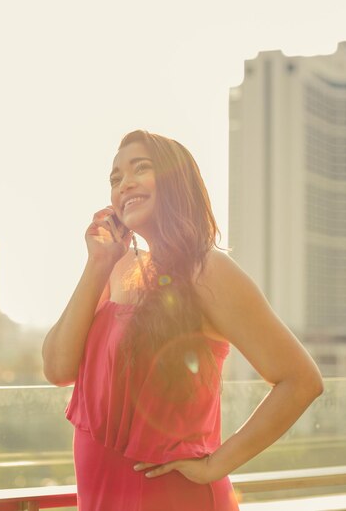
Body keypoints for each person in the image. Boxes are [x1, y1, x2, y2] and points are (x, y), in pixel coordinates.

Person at [42, 129, 323, 511]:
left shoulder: (208, 271)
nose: (125, 184)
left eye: (141, 169)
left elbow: (301, 380)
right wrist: (96, 264)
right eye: (115, 178)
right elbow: (57, 368)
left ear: (176, 183)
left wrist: (216, 464)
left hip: (176, 498)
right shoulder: (114, 267)